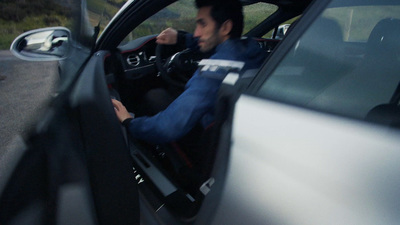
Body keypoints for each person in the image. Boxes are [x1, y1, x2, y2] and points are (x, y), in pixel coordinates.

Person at [112, 0, 266, 144]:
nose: (197, 33)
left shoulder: (214, 73)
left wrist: (129, 122)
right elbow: (213, 42)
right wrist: (181, 38)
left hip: (207, 144)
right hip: (235, 131)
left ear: (226, 28)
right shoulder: (251, 49)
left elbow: (167, 128)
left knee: (154, 96)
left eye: (203, 24)